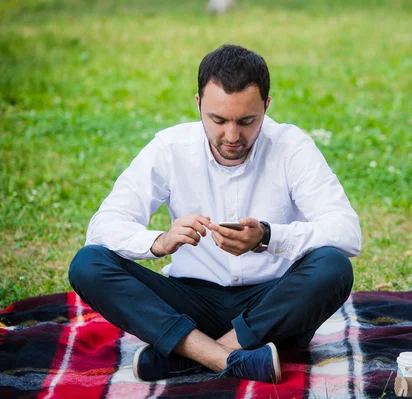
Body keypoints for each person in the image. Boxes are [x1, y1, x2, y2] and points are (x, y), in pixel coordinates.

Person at [69, 44, 361, 384]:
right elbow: (103, 226)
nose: (232, 136)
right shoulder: (170, 148)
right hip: (189, 303)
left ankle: (188, 358)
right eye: (218, 120)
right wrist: (159, 242)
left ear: (267, 106)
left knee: (334, 267)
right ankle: (227, 358)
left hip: (273, 309)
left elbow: (346, 231)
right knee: (88, 264)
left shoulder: (291, 147)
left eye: (247, 121)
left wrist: (268, 236)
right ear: (198, 105)